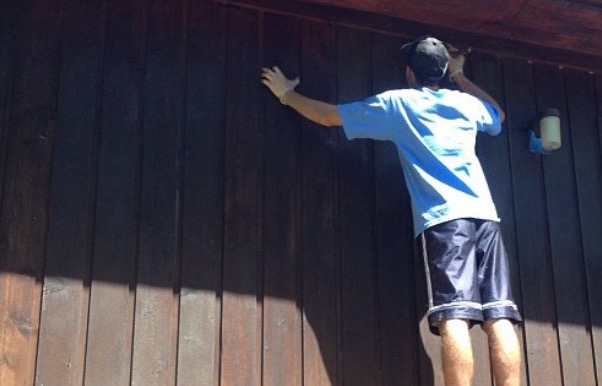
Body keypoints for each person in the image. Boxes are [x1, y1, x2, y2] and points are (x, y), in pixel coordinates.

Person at [261, 35, 522, 386]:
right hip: (486, 217)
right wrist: (460, 76)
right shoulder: (466, 105)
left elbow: (327, 117)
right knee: (499, 313)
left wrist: (285, 94)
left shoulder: (400, 104)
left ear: (409, 73)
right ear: (443, 72)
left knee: (453, 315)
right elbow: (498, 116)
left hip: (445, 221)